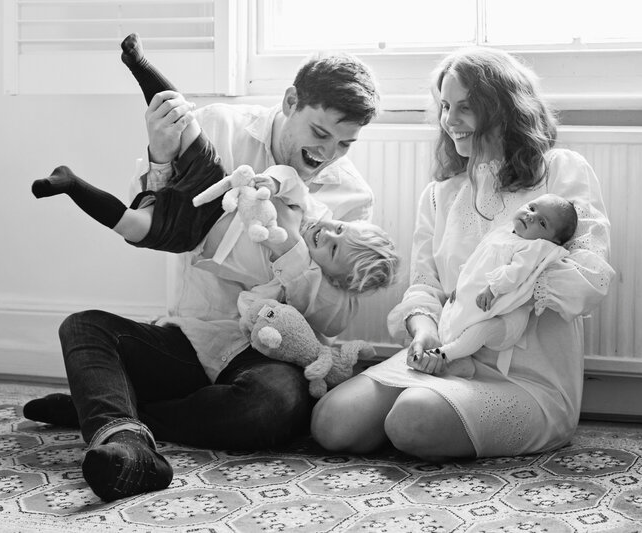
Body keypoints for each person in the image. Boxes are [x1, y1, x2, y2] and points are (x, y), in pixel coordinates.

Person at [23, 34, 384, 501]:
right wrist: (160, 154)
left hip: (268, 353)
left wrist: (290, 241)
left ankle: (112, 410)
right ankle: (128, 446)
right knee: (84, 329)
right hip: (193, 335)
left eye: (345, 144)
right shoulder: (217, 127)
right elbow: (155, 223)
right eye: (320, 134)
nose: (328, 155)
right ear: (291, 101)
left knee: (271, 407)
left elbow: (334, 319)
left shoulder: (352, 198)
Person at [311, 47, 615, 462]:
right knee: (331, 422)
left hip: (526, 378)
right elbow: (423, 286)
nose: (449, 121)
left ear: (503, 109)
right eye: (446, 106)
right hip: (447, 359)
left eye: (466, 108)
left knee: (411, 419)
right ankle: (432, 414)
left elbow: (587, 282)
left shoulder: (560, 172)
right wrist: (425, 332)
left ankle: (433, 420)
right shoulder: (441, 195)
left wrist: (509, 278)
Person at [431, 192, 578, 378]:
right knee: (452, 315)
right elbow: (476, 261)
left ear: (552, 240)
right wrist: (460, 284)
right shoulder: (502, 233)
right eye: (531, 208)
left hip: (506, 319)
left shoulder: (533, 247)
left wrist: (493, 288)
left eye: (542, 223)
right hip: (481, 299)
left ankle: (446, 354)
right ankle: (461, 362)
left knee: (479, 329)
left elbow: (516, 273)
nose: (531, 216)